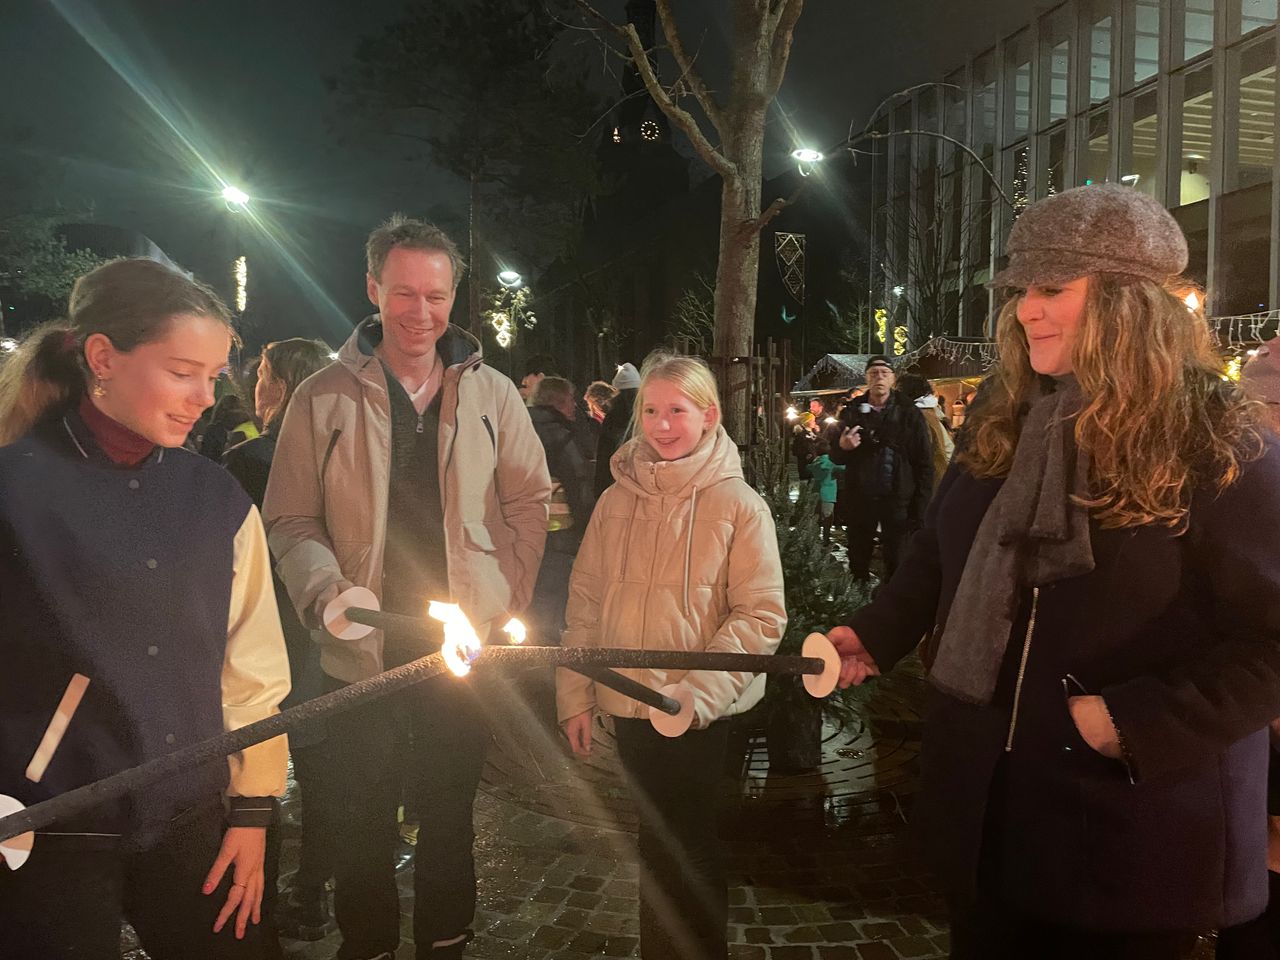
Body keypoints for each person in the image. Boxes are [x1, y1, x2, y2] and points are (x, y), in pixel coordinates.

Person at [827, 183, 1280, 959]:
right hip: (991, 820)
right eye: (1021, 291)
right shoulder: (1009, 418)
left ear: (1128, 303)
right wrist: (876, 632)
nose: (1025, 310)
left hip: (1130, 840)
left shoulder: (1220, 443)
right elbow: (942, 549)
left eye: (1051, 289)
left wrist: (1142, 723)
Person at [262, 215, 550, 960]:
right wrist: (326, 592)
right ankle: (371, 946)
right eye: (403, 293)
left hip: (462, 651)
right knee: (361, 813)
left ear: (454, 295)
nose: (420, 313)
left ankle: (446, 943)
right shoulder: (324, 395)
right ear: (372, 290)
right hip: (363, 644)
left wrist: (509, 591)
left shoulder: (493, 395)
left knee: (450, 811)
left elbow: (529, 499)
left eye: (436, 294)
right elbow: (290, 515)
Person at [0, 257, 290, 958]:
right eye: (181, 370)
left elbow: (253, 668)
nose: (203, 397)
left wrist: (251, 814)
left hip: (192, 813)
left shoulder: (216, 499)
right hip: (46, 823)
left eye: (215, 374)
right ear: (102, 357)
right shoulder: (13, 492)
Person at [558, 352, 786, 960]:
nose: (662, 424)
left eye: (677, 410)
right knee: (655, 845)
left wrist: (698, 696)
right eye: (651, 410)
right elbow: (584, 600)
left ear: (708, 415)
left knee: (693, 845)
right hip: (629, 706)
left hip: (703, 717)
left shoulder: (738, 504)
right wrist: (575, 693)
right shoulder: (614, 502)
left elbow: (760, 616)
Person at [223, 337, 335, 945]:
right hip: (334, 632)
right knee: (324, 770)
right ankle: (314, 890)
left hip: (272, 635)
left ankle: (257, 893)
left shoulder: (250, 461)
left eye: (263, 374)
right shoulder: (341, 458)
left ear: (283, 384)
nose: (256, 385)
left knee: (258, 770)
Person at [832, 356, 934, 582]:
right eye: (874, 373)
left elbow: (923, 462)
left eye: (884, 373)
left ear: (892, 379)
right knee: (858, 558)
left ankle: (894, 610)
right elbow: (834, 455)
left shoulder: (908, 413)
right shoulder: (852, 411)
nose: (879, 377)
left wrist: (921, 507)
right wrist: (843, 447)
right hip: (861, 498)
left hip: (898, 499)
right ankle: (857, 605)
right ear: (866, 378)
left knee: (898, 560)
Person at [527, 376, 595, 643]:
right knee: (552, 594)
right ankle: (545, 655)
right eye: (570, 400)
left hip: (518, 530)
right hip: (557, 531)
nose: (573, 407)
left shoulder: (513, 426)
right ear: (558, 401)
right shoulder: (560, 435)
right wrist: (586, 527)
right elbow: (577, 483)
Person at [897, 372, 954, 493]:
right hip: (943, 477)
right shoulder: (930, 411)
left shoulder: (920, 415)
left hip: (932, 482)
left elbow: (922, 455)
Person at [593, 360, 641, 497]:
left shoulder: (612, 417)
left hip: (615, 485)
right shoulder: (647, 414)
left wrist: (600, 494)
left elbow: (603, 459)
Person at [807, 437, 845, 544]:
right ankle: (826, 539)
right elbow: (844, 468)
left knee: (816, 517)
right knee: (828, 518)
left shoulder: (816, 462)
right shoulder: (831, 463)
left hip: (815, 493)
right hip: (828, 495)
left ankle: (814, 539)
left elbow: (808, 468)